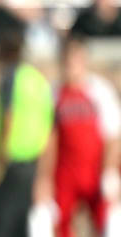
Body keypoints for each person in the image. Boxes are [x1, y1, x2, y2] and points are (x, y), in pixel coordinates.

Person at [34, 34, 121, 237]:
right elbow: (49, 138)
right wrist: (44, 178)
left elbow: (113, 135)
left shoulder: (100, 91)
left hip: (94, 168)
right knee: (59, 224)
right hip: (65, 171)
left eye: (76, 61)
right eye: (67, 61)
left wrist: (109, 171)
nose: (71, 67)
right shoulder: (53, 93)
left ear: (85, 61)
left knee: (107, 222)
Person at [0, 28, 55, 237]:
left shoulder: (11, 77)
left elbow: (9, 117)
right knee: (21, 227)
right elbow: (50, 128)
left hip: (10, 163)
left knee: (1, 227)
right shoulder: (38, 80)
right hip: (32, 165)